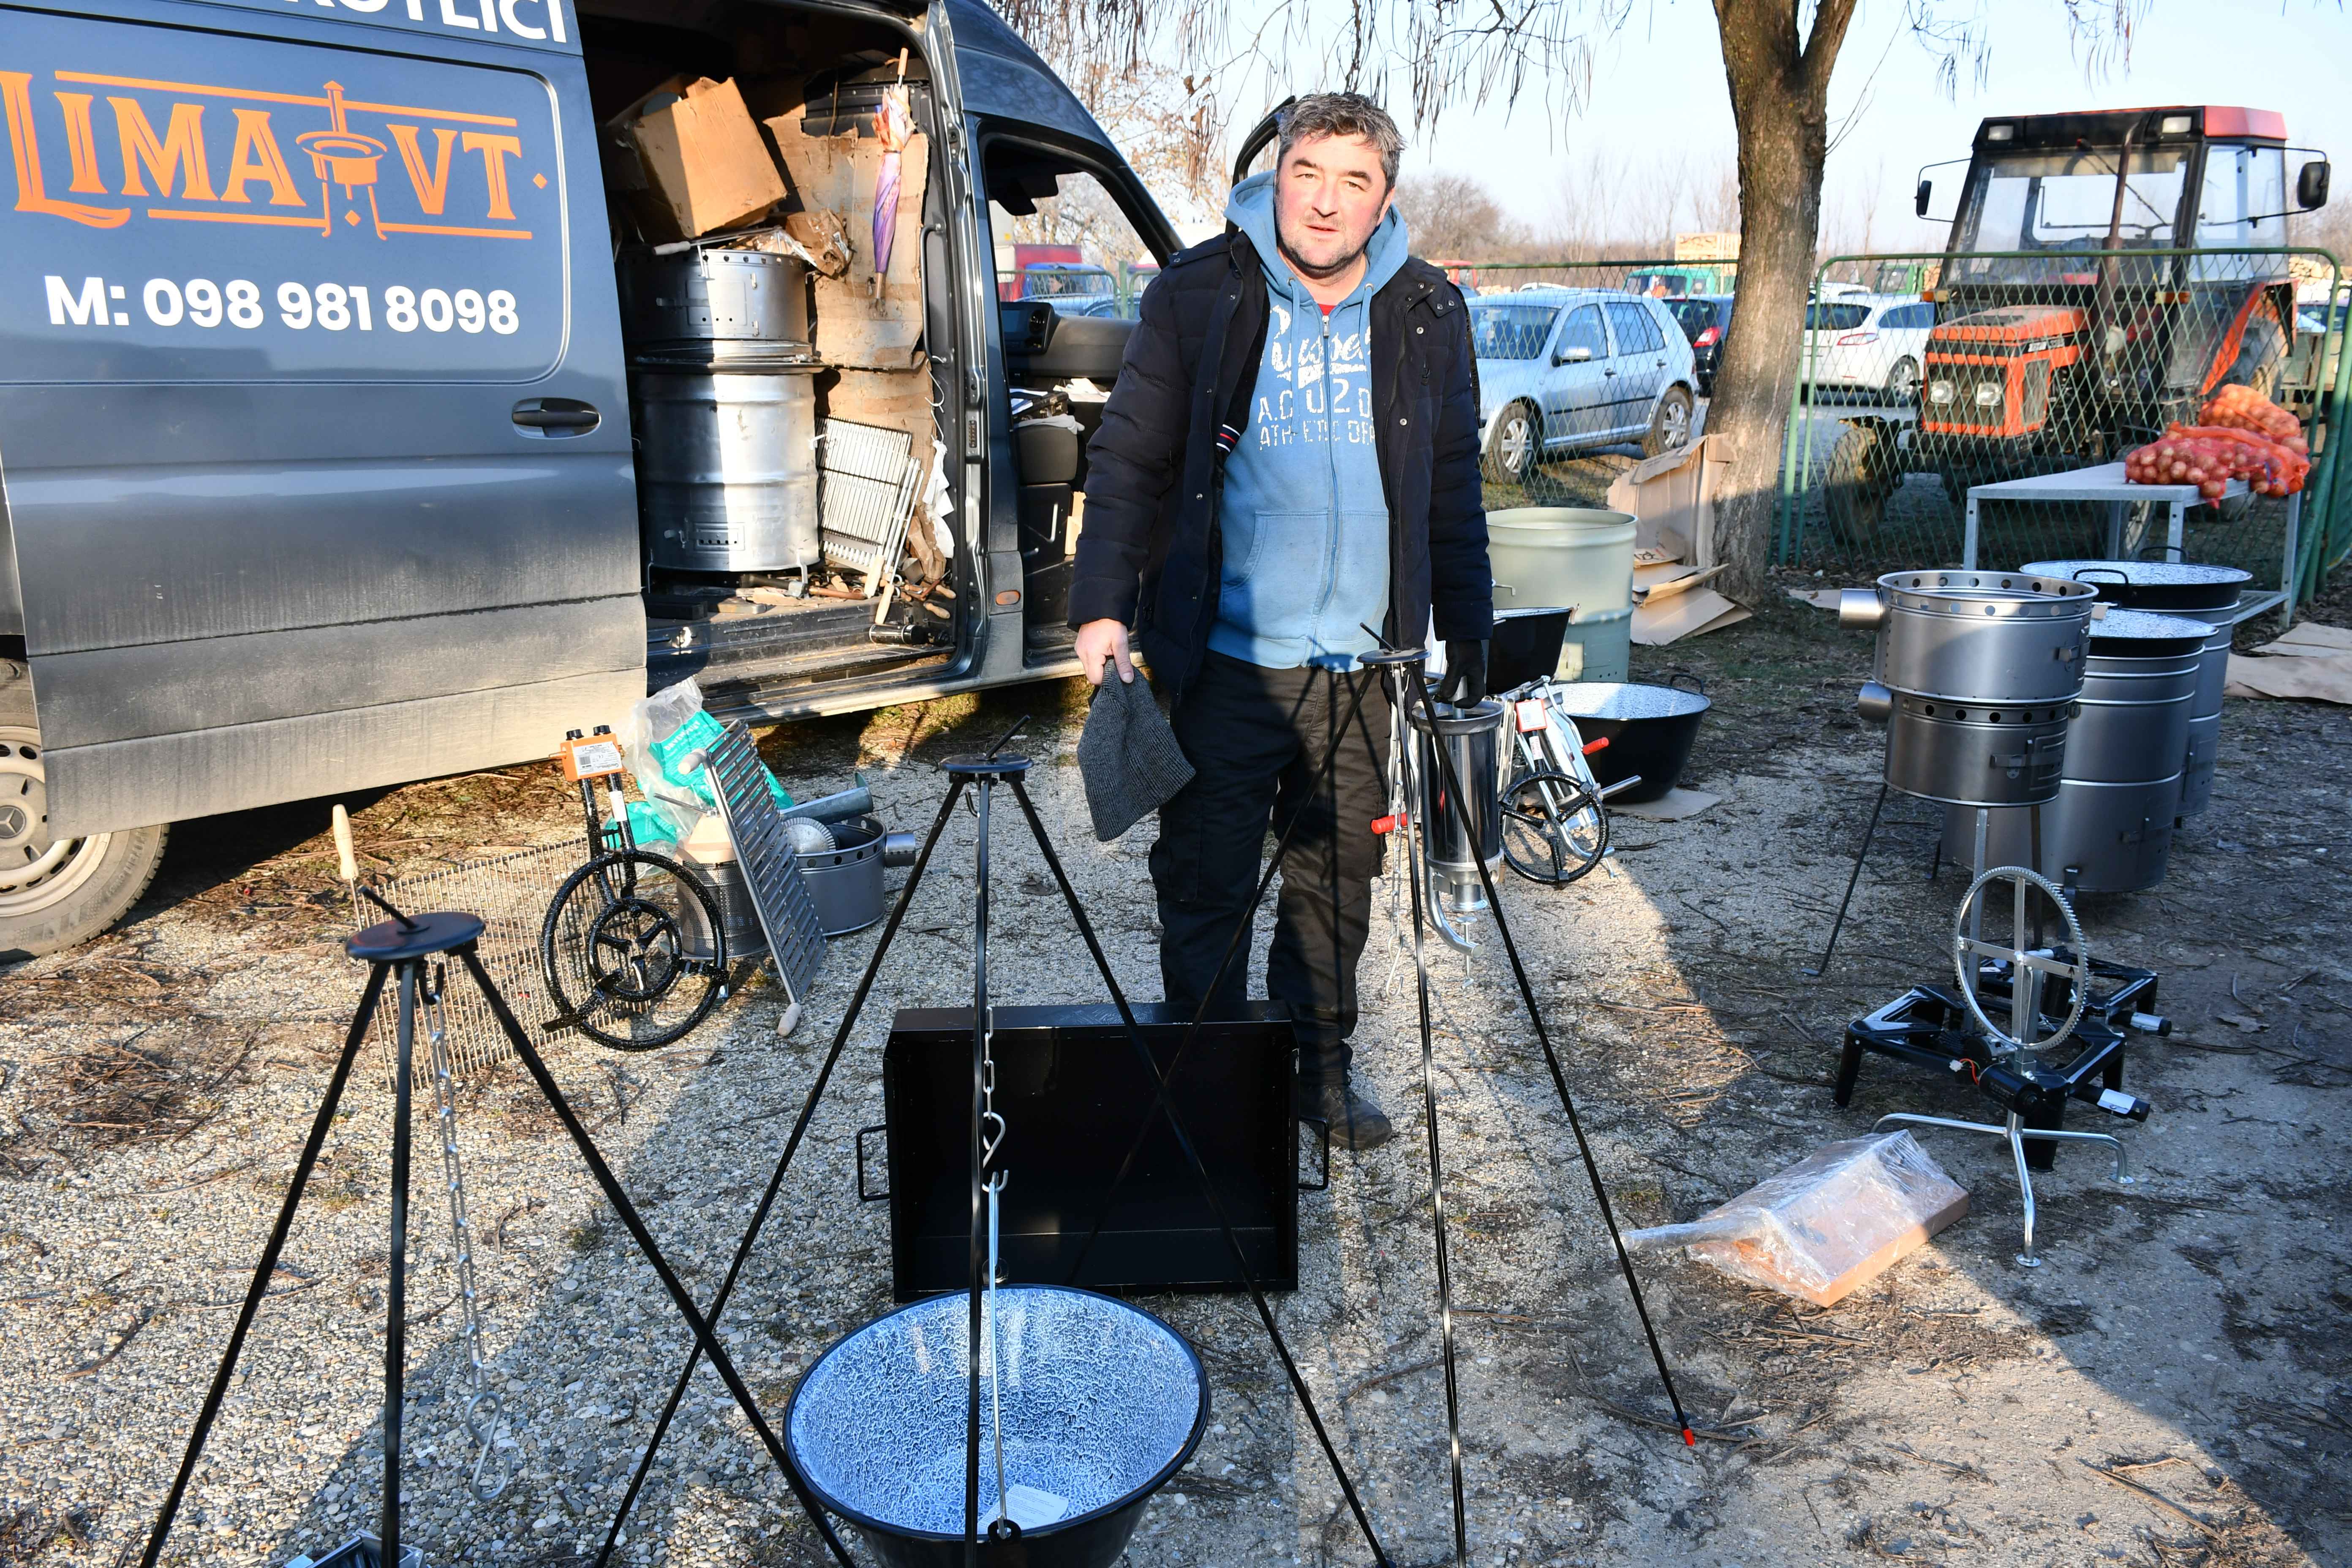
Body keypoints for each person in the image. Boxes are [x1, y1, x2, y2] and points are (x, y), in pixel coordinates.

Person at [1068, 93, 1491, 1151]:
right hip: (1228, 661)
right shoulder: (1200, 291)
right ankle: (1207, 1089)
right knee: (1207, 883)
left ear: (1384, 199)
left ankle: (1315, 1077)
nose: (1327, 201)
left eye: (1356, 181)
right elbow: (1129, 457)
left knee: (1334, 887)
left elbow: (1452, 484)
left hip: (1366, 671)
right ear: (1278, 173)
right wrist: (1102, 607)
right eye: (1311, 172)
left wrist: (1470, 630)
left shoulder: (1431, 310)